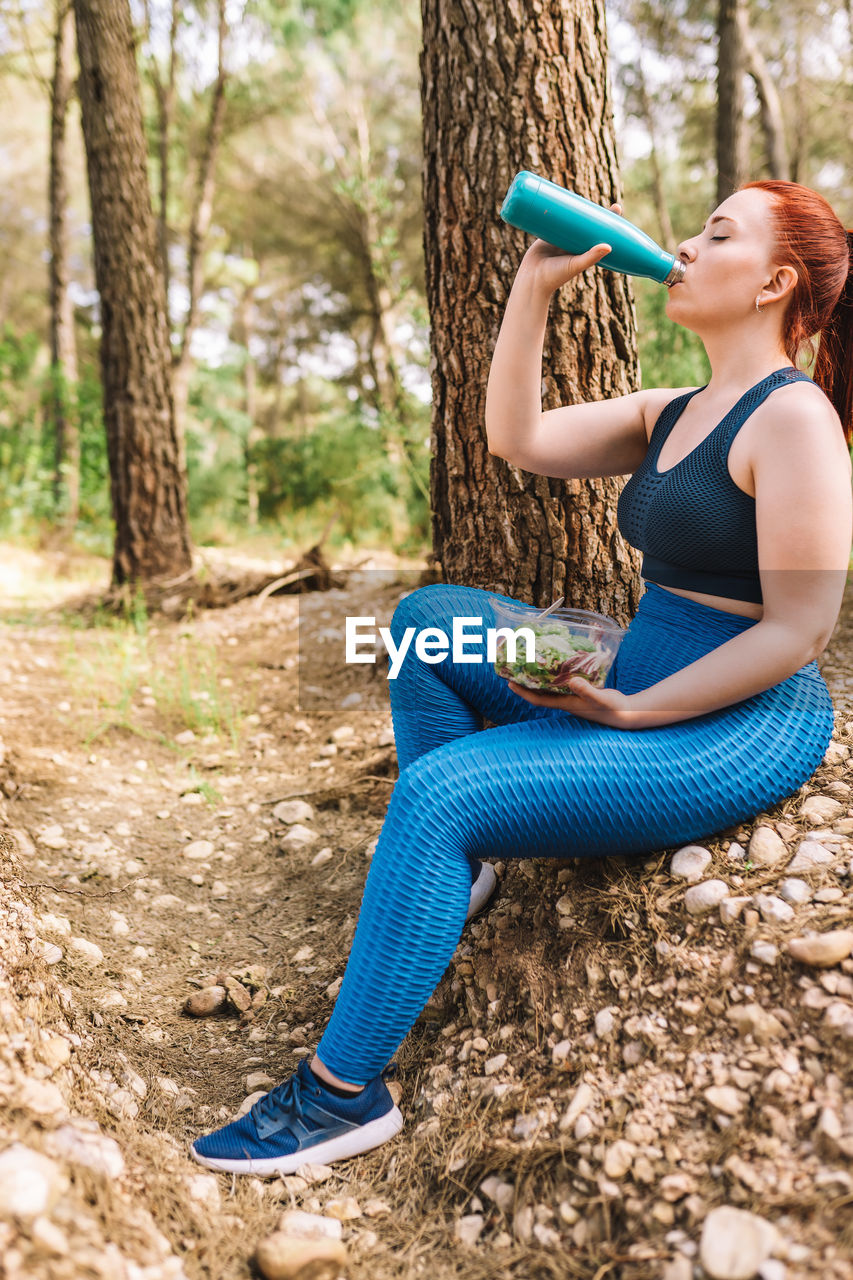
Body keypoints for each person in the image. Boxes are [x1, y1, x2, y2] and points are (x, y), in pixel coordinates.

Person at [191, 179, 853, 1177]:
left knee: (434, 791)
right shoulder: (675, 409)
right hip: (636, 667)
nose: (684, 242)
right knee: (425, 625)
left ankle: (339, 1097)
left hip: (737, 714)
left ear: (773, 279)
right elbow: (519, 439)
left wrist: (631, 707)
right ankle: (461, 867)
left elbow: (799, 629)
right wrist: (532, 291)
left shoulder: (792, 418)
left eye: (716, 233)